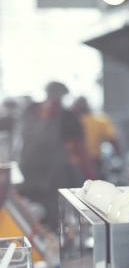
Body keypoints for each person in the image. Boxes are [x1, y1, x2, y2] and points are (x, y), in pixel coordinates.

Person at [18, 82, 96, 229]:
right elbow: (82, 153)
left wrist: (92, 180)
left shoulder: (67, 118)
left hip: (52, 179)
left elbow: (82, 152)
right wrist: (93, 177)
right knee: (28, 217)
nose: (54, 103)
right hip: (27, 176)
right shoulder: (30, 110)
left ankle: (50, 244)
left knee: (50, 217)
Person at [72, 96, 121, 179]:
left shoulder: (73, 122)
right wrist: (119, 156)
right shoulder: (100, 121)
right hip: (92, 162)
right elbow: (113, 140)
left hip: (74, 164)